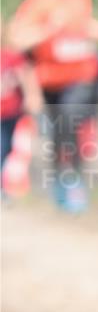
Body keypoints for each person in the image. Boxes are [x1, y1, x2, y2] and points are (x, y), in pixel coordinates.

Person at [10, 0, 98, 212]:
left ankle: (74, 179)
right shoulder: (34, 4)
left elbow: (87, 27)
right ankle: (60, 179)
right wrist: (49, 28)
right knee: (59, 132)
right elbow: (18, 42)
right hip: (50, 83)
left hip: (82, 79)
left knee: (71, 118)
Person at [1, 15, 43, 193]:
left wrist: (32, 96)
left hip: (11, 113)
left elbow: (26, 76)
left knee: (8, 148)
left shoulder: (11, 56)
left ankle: (5, 187)